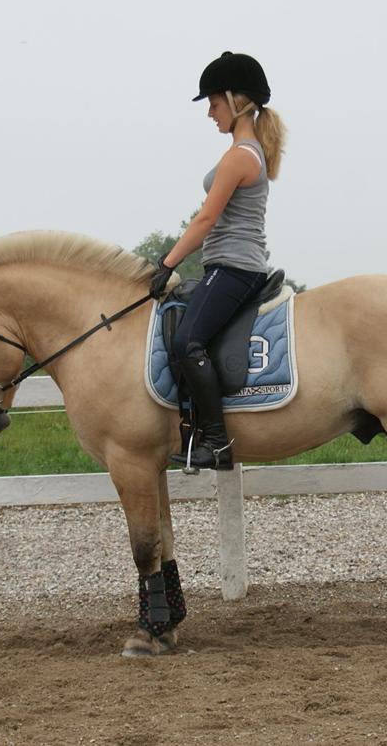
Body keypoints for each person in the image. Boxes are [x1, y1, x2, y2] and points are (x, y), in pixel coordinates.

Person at [148, 51, 287, 470]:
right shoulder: (243, 152)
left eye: (213, 103)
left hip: (234, 267)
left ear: (235, 100)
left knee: (187, 342)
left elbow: (206, 219)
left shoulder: (242, 155)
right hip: (227, 265)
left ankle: (217, 443)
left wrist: (168, 263)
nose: (210, 113)